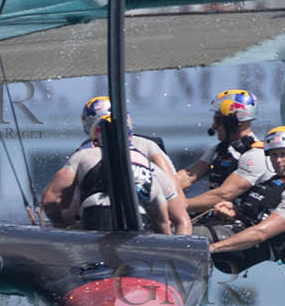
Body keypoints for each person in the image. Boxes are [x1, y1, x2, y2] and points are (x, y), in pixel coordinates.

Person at [41, 96, 189, 230]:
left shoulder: (83, 153)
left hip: (94, 217)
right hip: (141, 218)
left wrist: (62, 223)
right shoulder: (149, 155)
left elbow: (52, 200)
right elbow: (177, 208)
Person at [196, 125, 285, 274]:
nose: (278, 160)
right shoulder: (273, 182)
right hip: (239, 234)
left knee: (195, 235)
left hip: (246, 251)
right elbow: (255, 216)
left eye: (284, 154)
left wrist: (211, 248)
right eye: (274, 155)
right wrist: (234, 212)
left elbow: (260, 233)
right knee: (182, 227)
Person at [178, 89, 268, 214]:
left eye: (218, 120)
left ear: (235, 122)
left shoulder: (255, 155)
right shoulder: (218, 149)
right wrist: (157, 185)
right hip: (216, 217)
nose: (213, 126)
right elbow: (188, 176)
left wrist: (174, 206)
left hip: (240, 221)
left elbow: (223, 195)